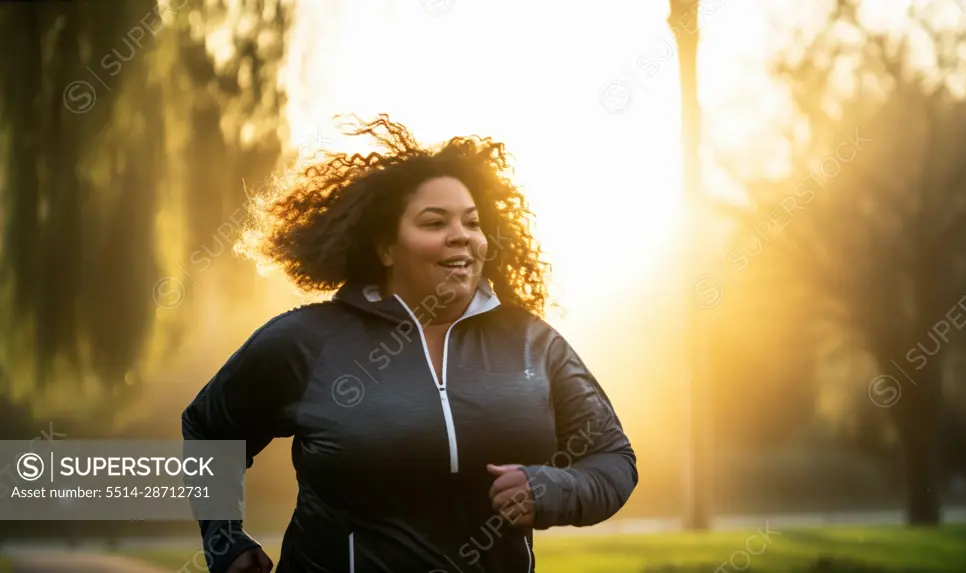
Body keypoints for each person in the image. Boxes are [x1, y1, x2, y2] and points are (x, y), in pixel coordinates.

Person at [182, 115, 638, 573]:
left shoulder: (532, 344)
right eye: (435, 222)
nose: (461, 234)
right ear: (386, 248)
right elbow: (209, 429)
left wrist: (553, 490)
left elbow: (612, 458)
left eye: (472, 222)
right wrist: (224, 539)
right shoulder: (307, 341)